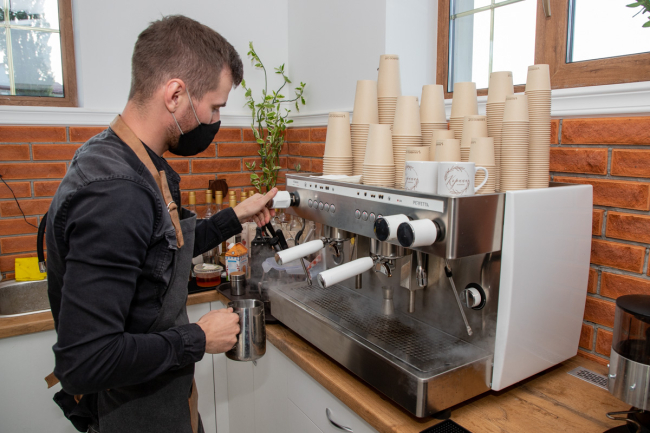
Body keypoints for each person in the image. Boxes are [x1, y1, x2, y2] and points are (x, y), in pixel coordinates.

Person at [45, 15, 276, 433]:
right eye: (215, 107)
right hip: (132, 416)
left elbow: (160, 251)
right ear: (175, 94)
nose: (215, 121)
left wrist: (235, 215)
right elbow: (85, 362)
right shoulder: (116, 193)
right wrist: (199, 338)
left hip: (166, 405)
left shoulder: (125, 156)